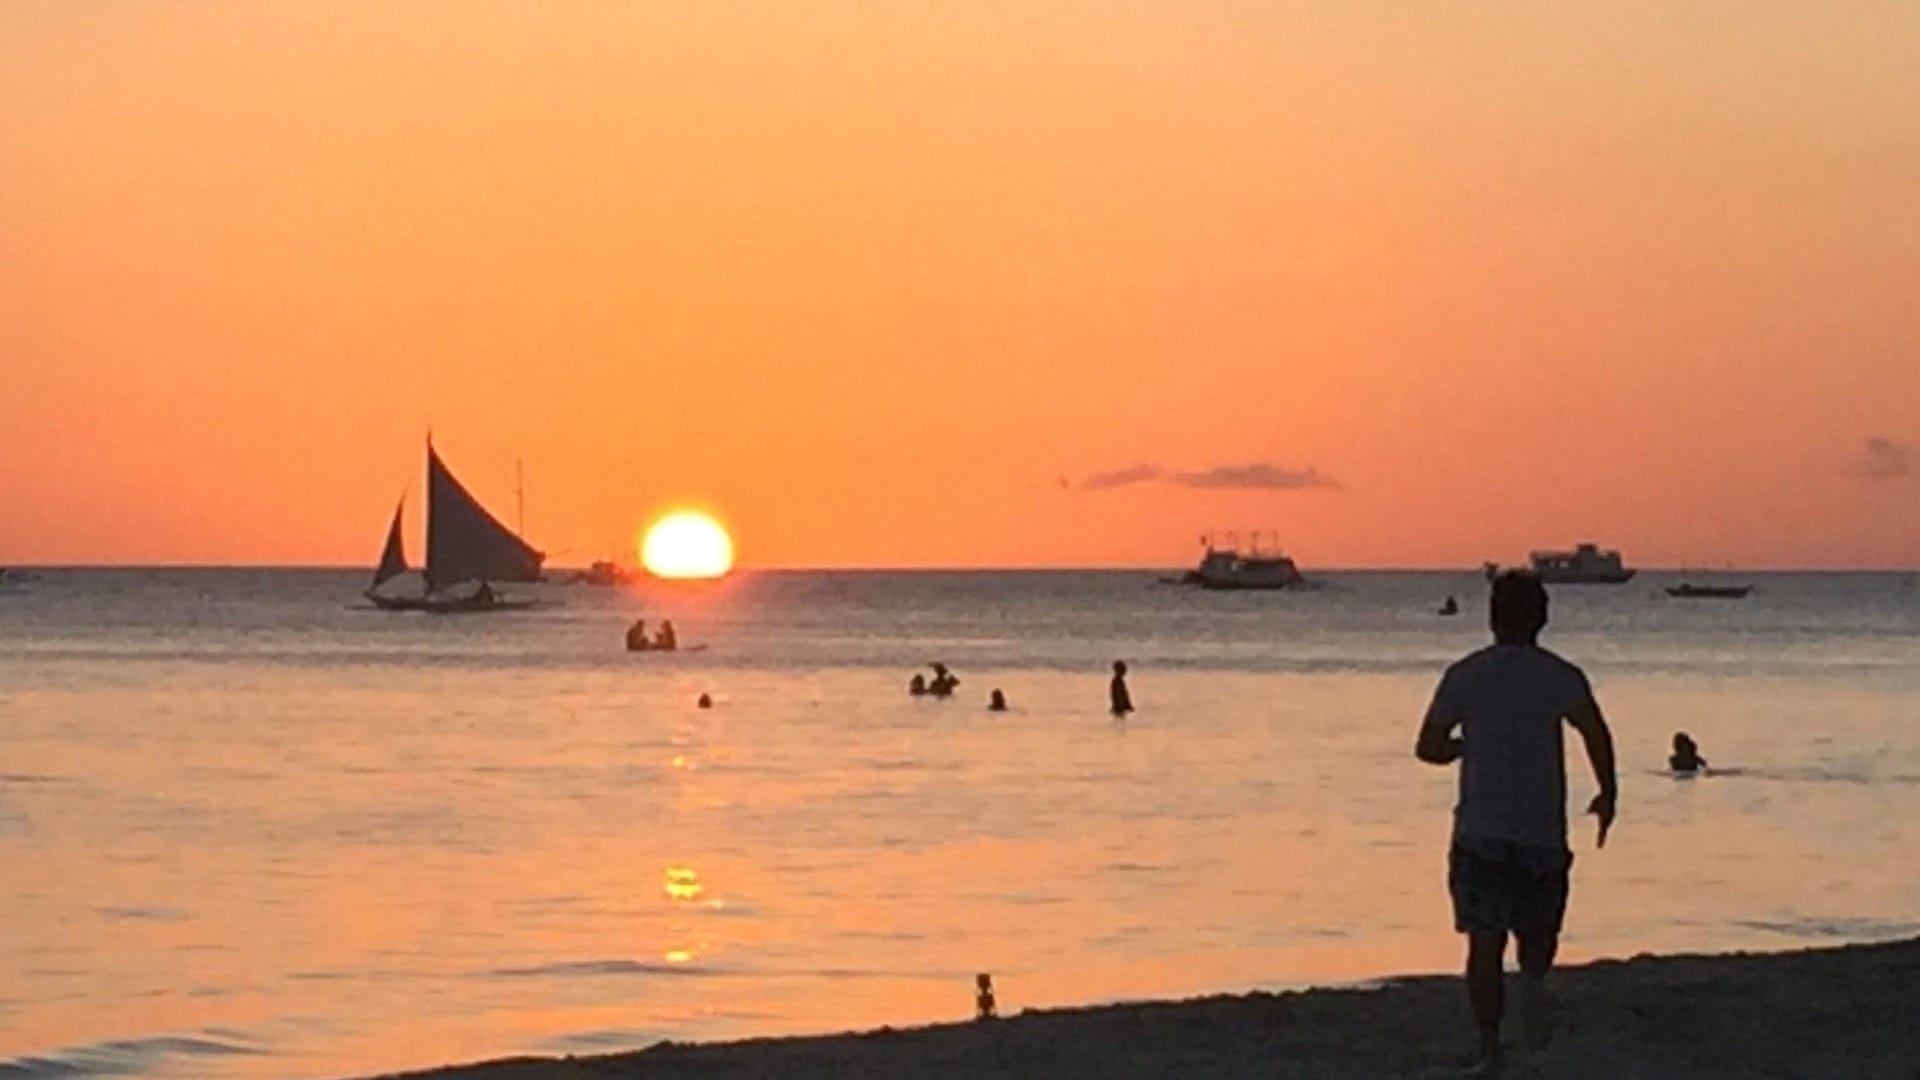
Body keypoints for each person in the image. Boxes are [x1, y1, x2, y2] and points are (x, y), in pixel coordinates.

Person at [1415, 571, 1617, 1075]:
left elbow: (1429, 747)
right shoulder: (1560, 675)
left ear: (1492, 617)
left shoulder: (1465, 675)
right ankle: (1531, 990)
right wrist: (1608, 791)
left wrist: (1470, 747)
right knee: (1536, 933)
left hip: (1481, 831)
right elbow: (1595, 731)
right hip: (1541, 830)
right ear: (1542, 617)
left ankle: (1489, 1047)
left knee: (1484, 944)